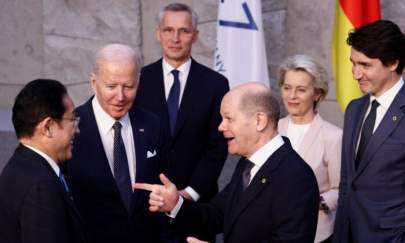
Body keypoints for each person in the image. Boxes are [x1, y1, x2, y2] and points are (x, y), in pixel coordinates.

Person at [135, 82, 320, 243]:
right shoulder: (247, 164)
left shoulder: (296, 177)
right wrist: (175, 204)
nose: (221, 126)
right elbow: (216, 215)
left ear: (259, 121)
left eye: (229, 118)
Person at [134, 2, 229, 241]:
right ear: (158, 33)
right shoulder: (138, 81)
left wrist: (189, 194)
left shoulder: (215, 84)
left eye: (184, 31)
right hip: (148, 208)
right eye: (168, 30)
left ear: (195, 36)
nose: (175, 38)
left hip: (196, 208)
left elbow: (216, 148)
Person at [66, 44, 161, 243]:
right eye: (111, 86)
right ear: (93, 82)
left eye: (128, 86)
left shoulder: (152, 124)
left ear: (138, 82)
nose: (120, 97)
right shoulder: (70, 129)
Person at [333, 20, 405, 243]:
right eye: (353, 63)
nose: (355, 74)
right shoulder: (355, 109)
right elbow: (348, 181)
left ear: (392, 63)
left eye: (365, 65)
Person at [0, 79, 86, 243]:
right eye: (72, 119)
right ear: (48, 127)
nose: (77, 130)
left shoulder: (19, 165)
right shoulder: (41, 187)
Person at [278, 54, 342, 243]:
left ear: (317, 93)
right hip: (271, 230)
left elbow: (340, 189)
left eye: (301, 90)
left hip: (315, 233)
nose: (292, 96)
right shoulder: (272, 129)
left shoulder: (333, 136)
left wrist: (315, 202)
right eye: (287, 87)